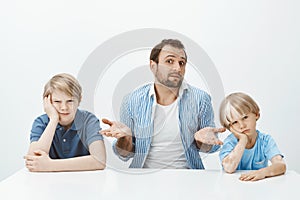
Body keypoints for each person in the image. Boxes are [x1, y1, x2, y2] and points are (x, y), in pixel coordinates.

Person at [101, 39, 225, 169]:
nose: (177, 68)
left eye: (182, 63)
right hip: (142, 178)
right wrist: (125, 138)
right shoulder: (131, 101)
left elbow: (210, 147)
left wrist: (201, 142)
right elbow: (124, 155)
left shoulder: (201, 99)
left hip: (189, 177)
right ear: (153, 66)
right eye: (169, 61)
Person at [24, 73, 106, 172]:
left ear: (79, 99)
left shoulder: (88, 121)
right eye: (57, 102)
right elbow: (33, 162)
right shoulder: (41, 122)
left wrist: (50, 165)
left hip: (83, 181)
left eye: (70, 101)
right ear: (48, 102)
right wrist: (54, 120)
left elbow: (100, 161)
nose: (64, 107)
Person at [219, 92, 286, 181]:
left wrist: (263, 172)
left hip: (257, 186)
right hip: (233, 188)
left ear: (256, 114)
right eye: (235, 122)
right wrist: (243, 140)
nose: (242, 126)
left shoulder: (265, 141)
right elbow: (229, 168)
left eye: (245, 117)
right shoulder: (230, 142)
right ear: (230, 127)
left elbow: (281, 165)